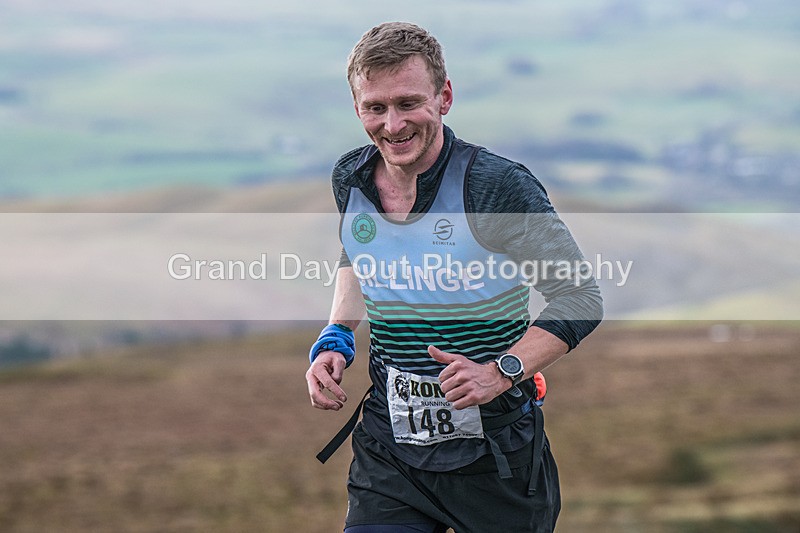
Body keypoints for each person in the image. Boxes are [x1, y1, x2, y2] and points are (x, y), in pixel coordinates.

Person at [305, 21, 603, 533]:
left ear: (444, 97)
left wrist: (501, 369)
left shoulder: (497, 187)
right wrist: (337, 335)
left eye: (408, 103)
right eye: (375, 107)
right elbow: (359, 252)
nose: (392, 125)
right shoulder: (350, 178)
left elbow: (579, 297)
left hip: (496, 459)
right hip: (390, 453)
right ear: (357, 108)